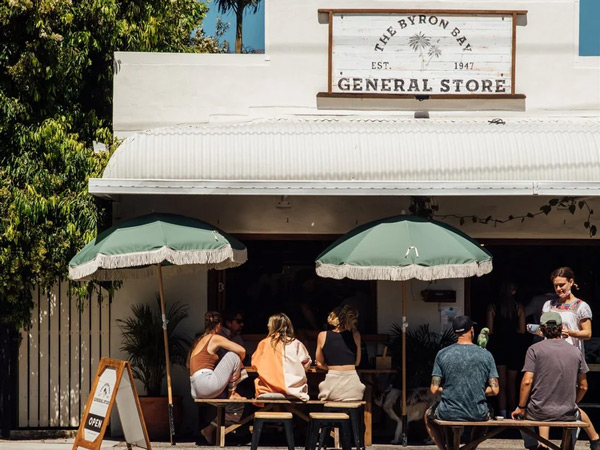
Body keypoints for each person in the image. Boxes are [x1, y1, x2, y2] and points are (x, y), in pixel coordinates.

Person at [535, 267, 599, 448]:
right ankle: (544, 444)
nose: (559, 289)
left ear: (571, 282)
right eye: (556, 286)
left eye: (562, 285)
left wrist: (568, 332)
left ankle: (592, 436)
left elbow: (587, 333)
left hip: (571, 357)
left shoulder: (581, 306)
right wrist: (537, 330)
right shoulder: (549, 305)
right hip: (549, 355)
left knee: (569, 400)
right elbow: (543, 329)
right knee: (545, 398)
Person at [511, 311, 591, 450]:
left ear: (541, 329)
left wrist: (521, 407)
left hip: (538, 411)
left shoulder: (534, 349)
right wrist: (573, 403)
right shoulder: (575, 352)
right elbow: (583, 387)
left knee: (518, 416)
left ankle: (534, 446)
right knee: (576, 415)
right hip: (567, 412)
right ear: (561, 328)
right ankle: (567, 446)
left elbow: (527, 381)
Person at [424, 315, 499, 450]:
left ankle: (444, 448)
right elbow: (495, 390)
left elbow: (434, 389)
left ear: (454, 333)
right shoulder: (486, 355)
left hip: (448, 412)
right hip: (478, 412)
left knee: (429, 415)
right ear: (472, 330)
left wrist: (450, 390)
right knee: (487, 413)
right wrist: (477, 390)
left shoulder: (442, 354)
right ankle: (471, 447)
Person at [187, 311, 247, 443]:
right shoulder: (214, 337)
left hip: (196, 388)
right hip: (206, 383)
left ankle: (209, 429)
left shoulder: (199, 340)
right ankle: (233, 393)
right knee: (233, 355)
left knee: (236, 407)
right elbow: (242, 351)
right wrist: (238, 365)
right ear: (219, 326)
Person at [486, 281, 526, 418]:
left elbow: (489, 330)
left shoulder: (493, 307)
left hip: (498, 346)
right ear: (513, 291)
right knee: (512, 383)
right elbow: (522, 330)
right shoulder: (518, 307)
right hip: (514, 346)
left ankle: (501, 413)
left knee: (500, 383)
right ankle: (512, 413)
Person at [251, 312, 312, 401]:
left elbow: (254, 365)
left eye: (269, 323)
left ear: (273, 326)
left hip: (267, 389)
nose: (267, 325)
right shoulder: (296, 343)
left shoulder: (264, 343)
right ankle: (294, 414)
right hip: (293, 390)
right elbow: (306, 364)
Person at [315, 304, 365, 401]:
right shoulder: (356, 335)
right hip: (353, 388)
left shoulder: (322, 335)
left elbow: (319, 363)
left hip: (332, 388)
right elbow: (357, 362)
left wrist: (330, 368)